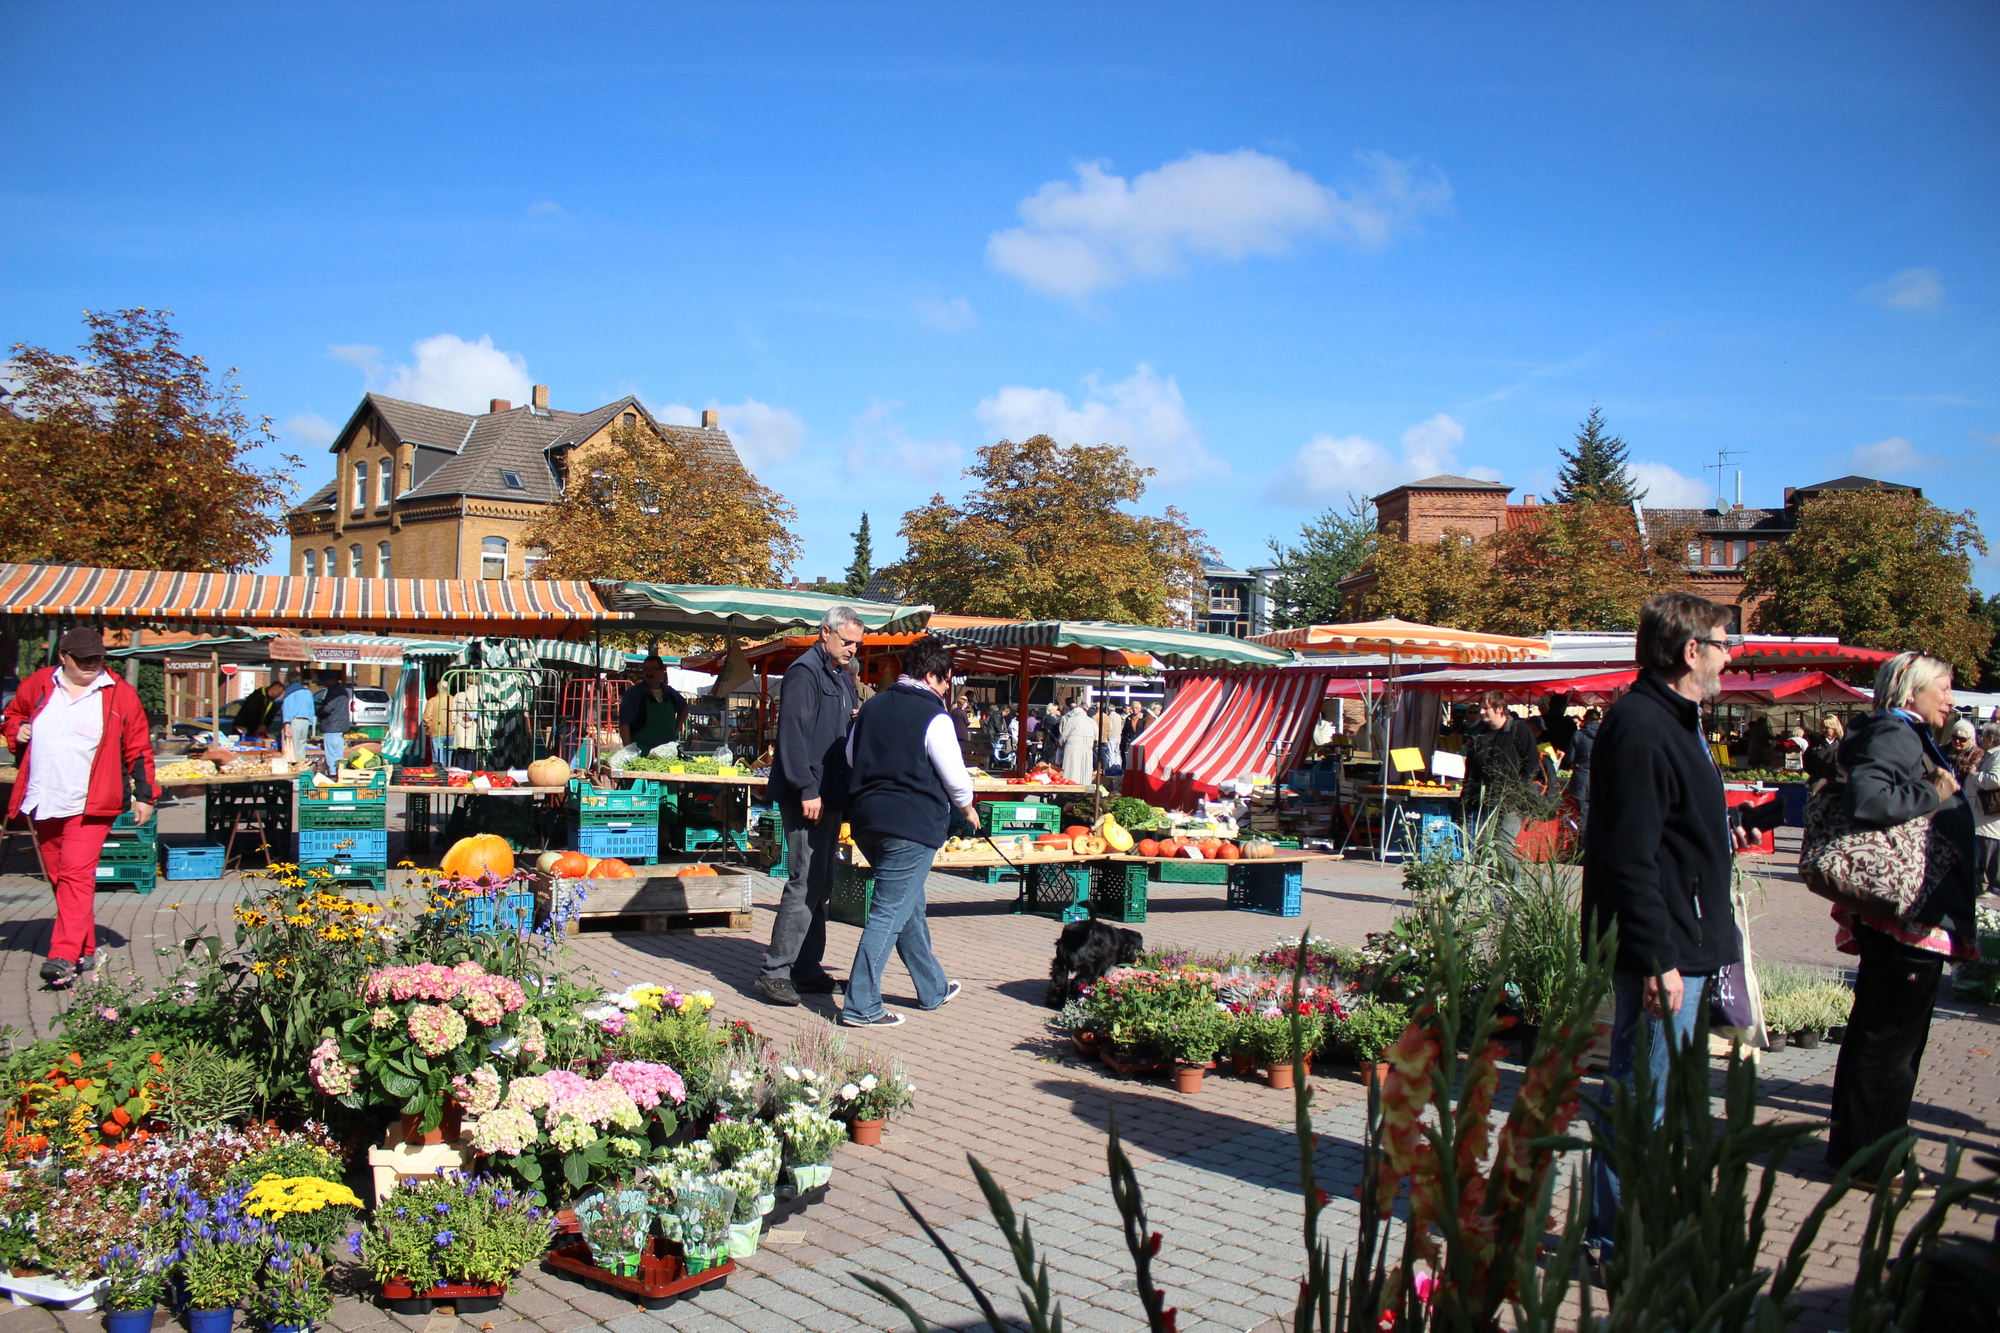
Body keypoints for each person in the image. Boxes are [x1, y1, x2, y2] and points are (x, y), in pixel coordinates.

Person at [1581, 591, 1750, 1267]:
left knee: (1660, 1097)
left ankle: (1639, 1226)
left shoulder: (1676, 721)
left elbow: (1672, 833)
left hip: (1686, 938)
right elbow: (1629, 855)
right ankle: (1617, 1241)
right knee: (1639, 1098)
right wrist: (1658, 957)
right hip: (1666, 948)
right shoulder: (1644, 726)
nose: (1730, 658)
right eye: (1724, 645)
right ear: (1690, 650)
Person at [1825, 652, 1978, 1190]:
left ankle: (1854, 1151)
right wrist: (1936, 792)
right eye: (1945, 687)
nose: (1951, 699)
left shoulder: (1899, 731)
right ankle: (1875, 1161)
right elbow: (1870, 799)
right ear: (1912, 692)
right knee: (1892, 1046)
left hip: (1907, 915)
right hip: (1909, 917)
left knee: (1877, 1038)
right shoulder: (1896, 732)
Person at [2, 628, 158, 990]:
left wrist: (145, 796)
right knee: (61, 879)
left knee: (75, 876)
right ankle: (86, 947)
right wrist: (17, 729)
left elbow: (138, 747)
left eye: (97, 658)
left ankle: (63, 956)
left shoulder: (120, 692)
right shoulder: (39, 684)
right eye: (83, 659)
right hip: (44, 799)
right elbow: (13, 714)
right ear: (63, 657)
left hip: (91, 804)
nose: (91, 664)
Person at [838, 635, 972, 1027]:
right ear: (931, 676)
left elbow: (850, 757)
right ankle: (861, 1005)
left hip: (866, 819)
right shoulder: (935, 716)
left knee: (907, 904)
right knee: (888, 913)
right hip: (911, 824)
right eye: (946, 680)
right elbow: (956, 778)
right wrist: (967, 808)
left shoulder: (872, 706)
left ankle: (932, 987)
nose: (947, 688)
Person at [759, 607, 864, 1006]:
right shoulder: (804, 672)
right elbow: (792, 736)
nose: (852, 649)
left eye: (857, 643)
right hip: (809, 794)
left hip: (831, 792)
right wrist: (806, 788)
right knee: (804, 880)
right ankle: (775, 971)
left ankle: (805, 967)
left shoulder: (841, 675)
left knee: (821, 883)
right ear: (825, 633)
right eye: (847, 641)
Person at [1464, 691, 1539, 865]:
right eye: (1481, 708)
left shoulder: (1518, 729)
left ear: (1500, 708)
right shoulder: (1479, 733)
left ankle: (1514, 882)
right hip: (1487, 800)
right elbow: (1472, 769)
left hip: (1513, 801)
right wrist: (1467, 798)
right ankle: (1495, 883)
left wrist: (1517, 792)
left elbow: (1531, 764)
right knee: (1484, 849)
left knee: (1503, 846)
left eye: (1486, 708)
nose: (1481, 712)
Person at [618, 655, 686, 755]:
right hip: (642, 751)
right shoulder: (634, 693)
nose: (649, 673)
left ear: (662, 671)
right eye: (646, 669)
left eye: (653, 669)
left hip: (667, 752)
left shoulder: (670, 693)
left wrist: (677, 728)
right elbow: (624, 722)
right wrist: (628, 750)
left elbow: (684, 708)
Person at [1972, 722, 2000, 896]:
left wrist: (1975, 775)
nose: (1980, 739)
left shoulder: (1998, 756)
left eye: (1982, 736)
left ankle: (1996, 888)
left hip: (1991, 817)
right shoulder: (1990, 754)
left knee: (1991, 852)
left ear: (1991, 739)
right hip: (1982, 816)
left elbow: (1996, 779)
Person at [1570, 707, 1602, 834]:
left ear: (1586, 719)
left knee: (1583, 815)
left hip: (1581, 778)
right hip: (1601, 779)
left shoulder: (1579, 735)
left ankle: (1583, 843)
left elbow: (1569, 759)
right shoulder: (1607, 735)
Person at [315, 671, 353, 770]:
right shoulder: (341, 690)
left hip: (332, 726)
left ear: (331, 680)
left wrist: (318, 711)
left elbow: (327, 709)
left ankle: (333, 773)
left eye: (325, 681)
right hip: (339, 725)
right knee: (338, 754)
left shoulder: (334, 692)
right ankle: (339, 772)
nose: (324, 684)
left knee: (331, 754)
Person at [1058, 697, 1095, 786]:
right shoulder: (1092, 721)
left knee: (1072, 768)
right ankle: (1085, 785)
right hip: (1088, 748)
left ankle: (1070, 785)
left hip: (1073, 747)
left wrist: (1060, 743)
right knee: (1085, 769)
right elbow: (1096, 738)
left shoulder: (1072, 719)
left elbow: (1064, 734)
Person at [281, 672, 316, 763]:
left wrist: (286, 726)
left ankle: (293, 770)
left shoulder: (290, 691)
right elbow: (312, 710)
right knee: (301, 748)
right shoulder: (308, 692)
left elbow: (287, 708)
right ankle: (302, 768)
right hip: (305, 722)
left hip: (294, 722)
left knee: (291, 749)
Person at [1805, 714, 1845, 791]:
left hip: (1840, 781)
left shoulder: (1844, 742)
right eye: (1822, 727)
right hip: (1819, 782)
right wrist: (1815, 772)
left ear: (1835, 727)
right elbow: (1806, 759)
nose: (1824, 729)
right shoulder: (1816, 742)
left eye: (1827, 727)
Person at [1098, 702, 1125, 776]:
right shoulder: (1119, 716)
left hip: (1112, 736)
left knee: (1111, 752)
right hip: (1118, 736)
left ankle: (1112, 767)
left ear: (1109, 710)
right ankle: (1118, 765)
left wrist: (1106, 734)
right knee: (1117, 752)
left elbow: (1110, 727)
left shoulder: (1110, 717)